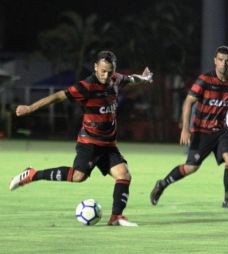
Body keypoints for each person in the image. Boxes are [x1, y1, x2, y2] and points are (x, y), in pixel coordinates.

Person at [9, 50, 153, 226]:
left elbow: (131, 78)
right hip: (90, 143)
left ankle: (116, 216)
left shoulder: (115, 79)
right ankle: (32, 175)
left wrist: (144, 79)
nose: (106, 75)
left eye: (110, 71)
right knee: (78, 177)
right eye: (103, 71)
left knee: (124, 175)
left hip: (108, 144)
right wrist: (30, 108)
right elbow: (58, 96)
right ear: (95, 67)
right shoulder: (86, 87)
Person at [150, 46, 228, 208]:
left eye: (227, 61)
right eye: (220, 60)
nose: (223, 64)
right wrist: (185, 128)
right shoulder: (205, 80)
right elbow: (188, 102)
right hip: (202, 132)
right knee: (191, 167)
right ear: (215, 61)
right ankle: (162, 184)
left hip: (221, 130)